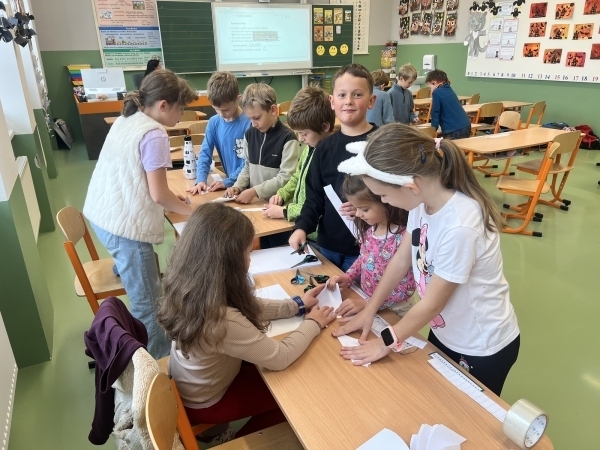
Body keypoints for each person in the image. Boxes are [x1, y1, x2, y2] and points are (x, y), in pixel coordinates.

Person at [333, 124, 520, 396]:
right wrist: (369, 310)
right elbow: (401, 260)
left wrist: (384, 342)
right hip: (445, 329)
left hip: (480, 344)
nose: (384, 201)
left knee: (464, 412)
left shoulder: (460, 226)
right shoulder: (421, 204)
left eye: (383, 195)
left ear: (411, 186)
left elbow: (433, 303)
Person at [157, 203, 335, 441]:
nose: (250, 261)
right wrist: (313, 323)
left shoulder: (191, 285)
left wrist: (296, 305)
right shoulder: (221, 320)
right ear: (229, 261)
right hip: (206, 402)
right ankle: (238, 442)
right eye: (248, 253)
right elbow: (280, 357)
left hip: (191, 383)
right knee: (293, 396)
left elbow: (248, 305)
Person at [83, 69, 196, 358]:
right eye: (180, 108)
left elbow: (137, 178)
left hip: (103, 216)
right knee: (149, 303)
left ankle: (128, 271)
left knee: (142, 277)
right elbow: (158, 195)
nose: (181, 115)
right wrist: (193, 212)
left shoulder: (128, 117)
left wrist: (171, 198)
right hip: (124, 228)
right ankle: (158, 364)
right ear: (163, 105)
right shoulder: (154, 134)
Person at [290, 63, 377, 272]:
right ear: (332, 101)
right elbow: (314, 199)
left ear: (371, 101)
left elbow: (396, 202)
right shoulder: (323, 149)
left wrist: (365, 207)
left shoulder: (382, 144)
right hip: (326, 247)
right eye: (342, 95)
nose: (348, 101)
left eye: (357, 94)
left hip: (367, 250)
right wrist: (302, 227)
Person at [327, 175, 416, 317]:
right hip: (367, 302)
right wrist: (348, 277)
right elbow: (363, 258)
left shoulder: (405, 238)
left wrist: (369, 303)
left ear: (385, 202)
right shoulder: (370, 230)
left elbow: (406, 289)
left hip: (396, 310)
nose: (358, 214)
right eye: (356, 208)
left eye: (364, 209)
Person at [262, 86, 335, 241]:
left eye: (304, 133)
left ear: (324, 127)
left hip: (318, 235)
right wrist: (282, 194)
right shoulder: (310, 147)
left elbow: (319, 204)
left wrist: (285, 212)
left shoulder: (330, 157)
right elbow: (297, 176)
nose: (300, 139)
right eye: (298, 133)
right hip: (303, 229)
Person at [225, 83, 300, 204]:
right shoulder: (249, 134)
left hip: (277, 206)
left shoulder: (288, 138)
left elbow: (286, 177)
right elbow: (247, 167)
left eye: (257, 118)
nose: (253, 124)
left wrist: (255, 191)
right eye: (249, 119)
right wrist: (237, 186)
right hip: (255, 203)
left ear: (273, 110)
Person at [187, 72, 251, 194]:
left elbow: (249, 162)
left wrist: (228, 181)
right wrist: (201, 180)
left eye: (226, 109)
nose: (221, 114)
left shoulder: (249, 122)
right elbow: (205, 154)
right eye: (216, 109)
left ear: (238, 99)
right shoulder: (214, 122)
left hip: (248, 186)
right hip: (231, 187)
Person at [426, 69, 472, 139]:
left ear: (434, 83)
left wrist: (433, 129)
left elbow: (435, 112)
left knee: (448, 146)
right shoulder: (448, 88)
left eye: (430, 88)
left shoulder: (437, 92)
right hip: (466, 126)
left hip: (454, 129)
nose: (430, 90)